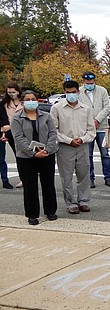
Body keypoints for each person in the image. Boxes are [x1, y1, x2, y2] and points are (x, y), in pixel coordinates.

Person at [10, 90, 58, 225]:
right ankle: (32, 214)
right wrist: (33, 152)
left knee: (48, 184)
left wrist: (47, 149)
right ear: (23, 102)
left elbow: (53, 133)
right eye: (27, 99)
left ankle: (50, 211)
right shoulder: (16, 118)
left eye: (33, 99)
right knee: (30, 186)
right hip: (26, 157)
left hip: (47, 155)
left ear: (37, 101)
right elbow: (18, 138)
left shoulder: (46, 116)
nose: (31, 102)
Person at [50, 81, 96, 214]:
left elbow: (91, 130)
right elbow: (54, 130)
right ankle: (71, 202)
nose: (71, 95)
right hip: (65, 147)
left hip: (83, 146)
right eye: (68, 92)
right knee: (67, 176)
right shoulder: (57, 108)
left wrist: (83, 139)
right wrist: (69, 140)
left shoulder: (86, 109)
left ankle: (84, 200)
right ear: (64, 92)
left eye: (73, 92)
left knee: (84, 174)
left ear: (78, 92)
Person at [80, 71, 110, 188]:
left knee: (105, 154)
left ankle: (108, 177)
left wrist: (98, 120)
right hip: (87, 129)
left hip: (102, 127)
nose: (89, 84)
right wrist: (90, 122)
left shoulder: (102, 90)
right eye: (87, 82)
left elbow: (107, 107)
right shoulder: (79, 92)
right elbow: (79, 109)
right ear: (84, 81)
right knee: (88, 155)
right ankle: (90, 178)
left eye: (91, 82)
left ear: (94, 81)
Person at [2, 81, 24, 188]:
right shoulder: (5, 103)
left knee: (25, 154)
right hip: (11, 132)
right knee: (17, 155)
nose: (11, 94)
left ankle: (28, 176)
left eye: (13, 92)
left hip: (24, 131)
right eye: (9, 92)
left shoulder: (24, 101)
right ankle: (22, 178)